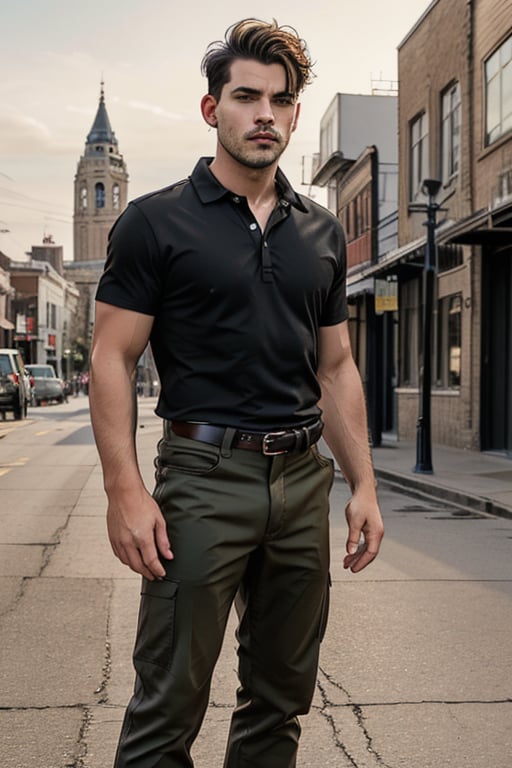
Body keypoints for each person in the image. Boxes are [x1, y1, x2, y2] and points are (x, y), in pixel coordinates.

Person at [89, 18, 384, 768]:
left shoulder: (318, 233)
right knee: (167, 710)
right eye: (246, 96)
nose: (265, 115)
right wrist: (126, 491)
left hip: (298, 483)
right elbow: (113, 359)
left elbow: (337, 366)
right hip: (200, 481)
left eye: (281, 102)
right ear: (211, 108)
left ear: (292, 114)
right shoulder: (155, 222)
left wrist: (364, 486)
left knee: (280, 704)